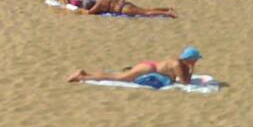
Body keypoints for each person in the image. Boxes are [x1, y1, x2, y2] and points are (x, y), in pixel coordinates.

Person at [68, 46, 201, 83]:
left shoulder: (178, 61)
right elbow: (185, 82)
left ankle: (85, 74)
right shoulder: (178, 65)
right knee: (116, 77)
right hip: (147, 69)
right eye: (195, 59)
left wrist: (190, 68)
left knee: (117, 75)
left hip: (149, 66)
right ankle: (82, 77)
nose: (196, 61)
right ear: (190, 59)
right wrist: (192, 69)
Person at [76, 0, 176, 18]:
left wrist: (79, 11)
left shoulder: (98, 5)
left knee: (145, 13)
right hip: (125, 4)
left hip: (123, 9)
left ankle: (167, 13)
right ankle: (166, 8)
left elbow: (90, 12)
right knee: (146, 9)